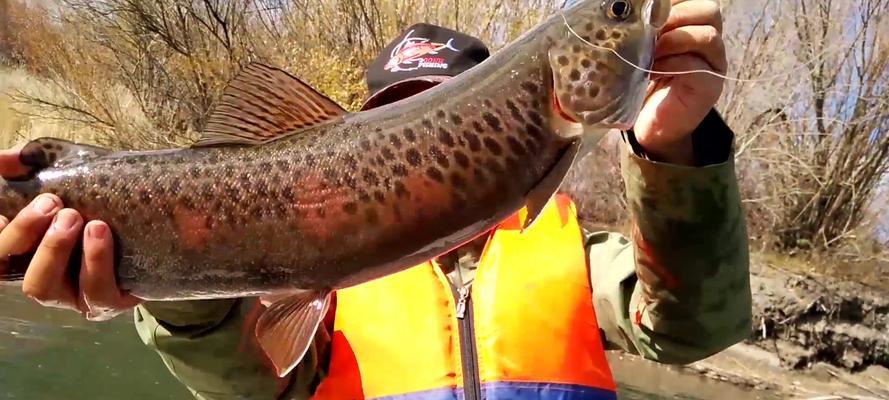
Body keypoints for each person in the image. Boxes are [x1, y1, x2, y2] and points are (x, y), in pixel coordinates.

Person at [0, 1, 751, 399]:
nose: (426, 127)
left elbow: (689, 331)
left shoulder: (576, 258)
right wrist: (171, 292)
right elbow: (247, 388)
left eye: (443, 105)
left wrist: (674, 148)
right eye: (399, 113)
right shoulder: (324, 307)